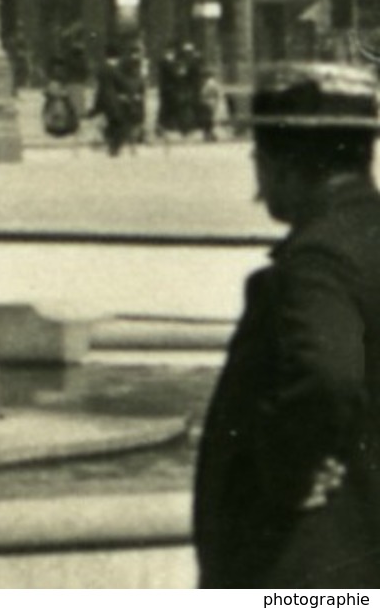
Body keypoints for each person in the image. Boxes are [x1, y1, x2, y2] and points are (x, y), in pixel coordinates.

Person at [194, 62, 380, 588]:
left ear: (286, 162)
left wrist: (286, 467)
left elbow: (327, 376)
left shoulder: (316, 263)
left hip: (309, 571)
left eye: (259, 156)